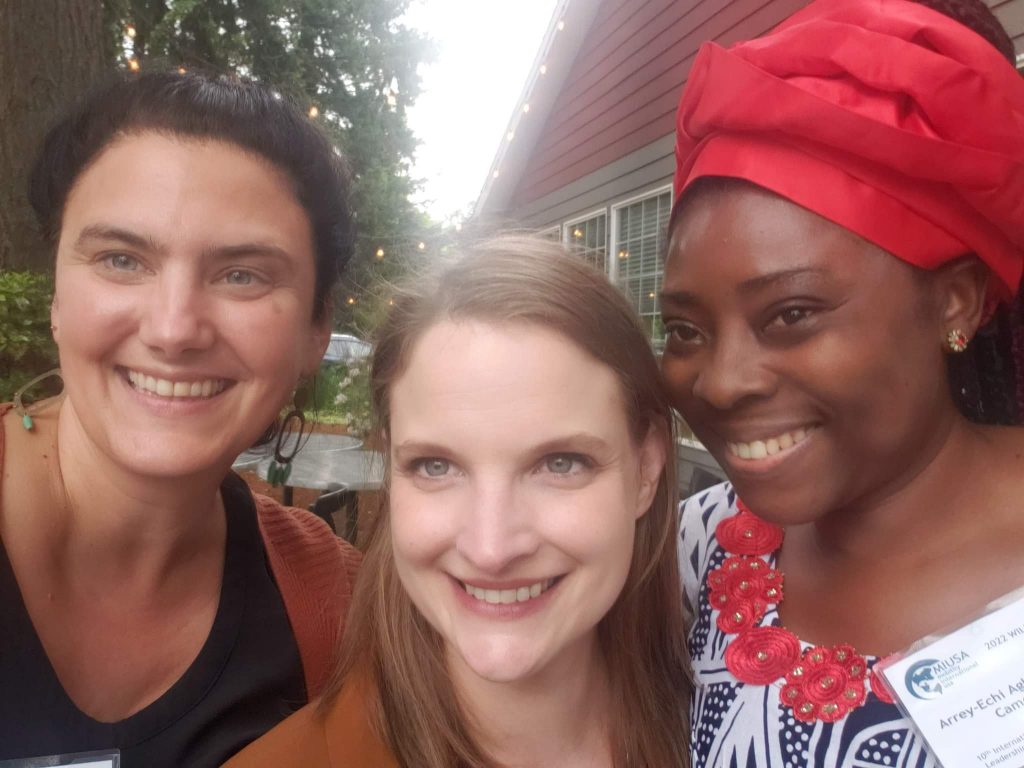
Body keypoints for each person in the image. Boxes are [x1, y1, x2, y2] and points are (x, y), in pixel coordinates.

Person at [661, 0, 1024, 766]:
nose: (722, 385)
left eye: (791, 314)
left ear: (955, 299)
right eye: (687, 330)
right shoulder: (699, 548)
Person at [0, 71, 361, 766]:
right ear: (56, 297)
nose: (173, 329)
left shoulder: (338, 611)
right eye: (121, 259)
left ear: (317, 329)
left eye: (242, 274)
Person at [225, 235, 691, 767]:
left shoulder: (737, 729)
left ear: (646, 467)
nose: (492, 548)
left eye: (560, 463)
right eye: (436, 466)